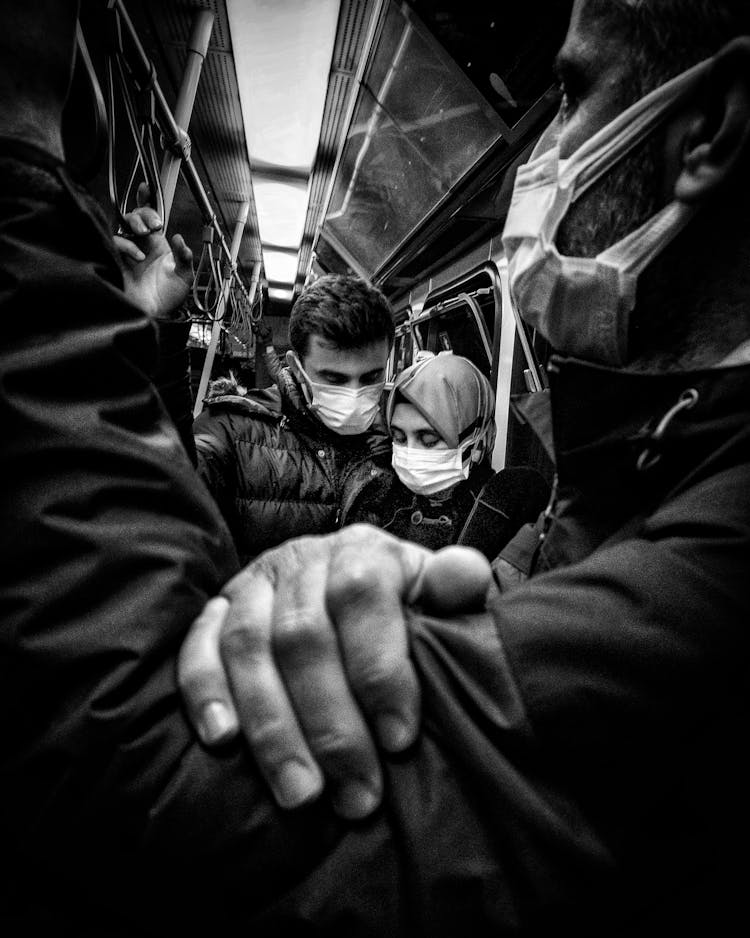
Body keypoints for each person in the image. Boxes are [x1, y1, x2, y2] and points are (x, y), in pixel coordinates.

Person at [2, 1, 749, 936]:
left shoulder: (689, 539)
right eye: (334, 380)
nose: (535, 158)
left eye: (568, 93)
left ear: (708, 129)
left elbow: (149, 778)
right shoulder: (628, 472)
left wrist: (20, 177)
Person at [191, 273, 396, 562]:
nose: (354, 395)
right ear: (297, 369)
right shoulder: (233, 434)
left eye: (372, 377)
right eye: (334, 379)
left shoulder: (395, 441)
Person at [370, 350, 550, 557]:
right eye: (399, 438)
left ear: (477, 444)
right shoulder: (382, 500)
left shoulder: (507, 510)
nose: (409, 453)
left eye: (429, 441)